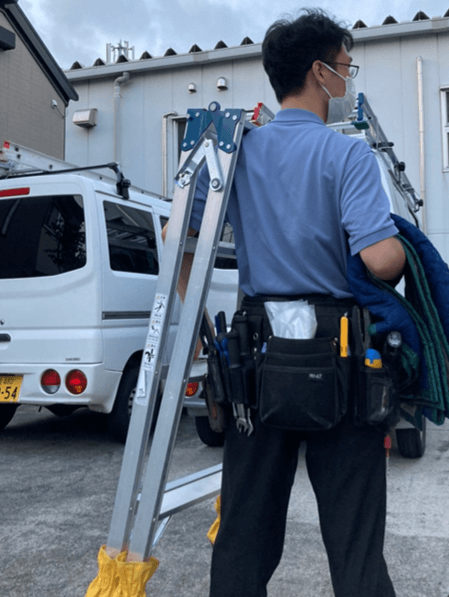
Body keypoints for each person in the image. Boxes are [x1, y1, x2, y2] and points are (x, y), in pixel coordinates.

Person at [170, 8, 405, 597]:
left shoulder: (237, 152)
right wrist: (404, 247)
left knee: (245, 535)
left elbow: (177, 238)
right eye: (346, 66)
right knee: (355, 541)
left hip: (257, 357)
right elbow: (381, 261)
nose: (348, 78)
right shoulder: (348, 156)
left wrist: (196, 322)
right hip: (340, 355)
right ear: (320, 72)